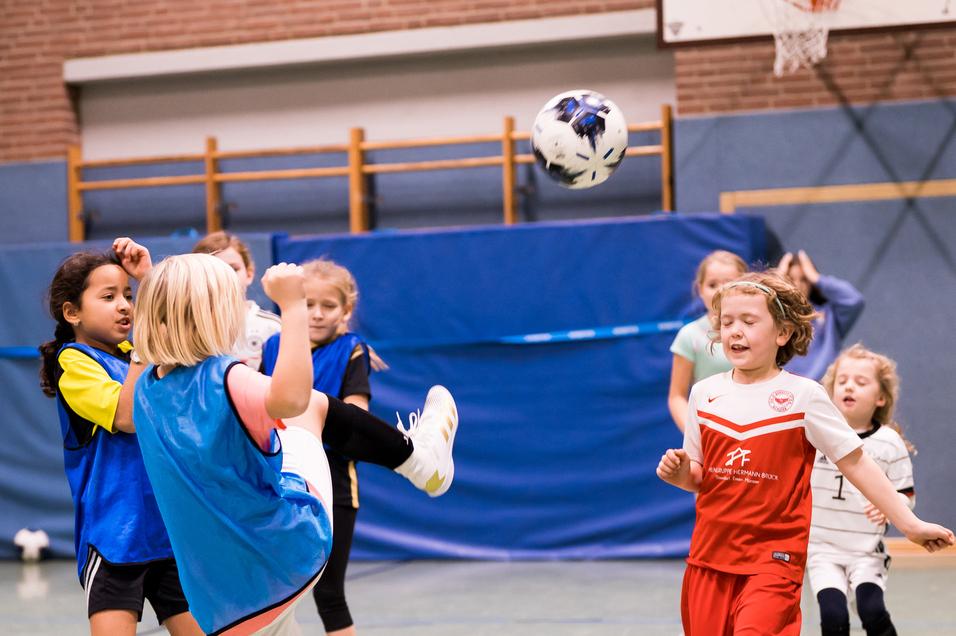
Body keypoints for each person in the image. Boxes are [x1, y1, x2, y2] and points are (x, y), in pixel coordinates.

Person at [131, 254, 458, 635]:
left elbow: (169, 316)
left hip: (219, 602)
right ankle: (420, 461)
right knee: (310, 408)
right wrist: (292, 305)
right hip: (284, 556)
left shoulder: (143, 394)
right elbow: (295, 399)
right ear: (217, 314)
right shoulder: (229, 380)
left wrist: (153, 285)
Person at [655, 271, 952, 636]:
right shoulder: (704, 394)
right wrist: (680, 474)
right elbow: (700, 478)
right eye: (727, 321)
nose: (735, 330)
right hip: (708, 560)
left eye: (749, 321)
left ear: (782, 333)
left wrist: (910, 524)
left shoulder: (803, 397)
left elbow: (856, 462)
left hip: (773, 561)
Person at [38, 238, 201, 636]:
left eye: (128, 296)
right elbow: (127, 415)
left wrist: (148, 277)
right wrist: (144, 347)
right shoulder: (74, 362)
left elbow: (182, 330)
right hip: (114, 538)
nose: (126, 305)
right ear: (72, 312)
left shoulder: (137, 353)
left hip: (167, 531)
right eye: (109, 297)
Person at [260, 258, 397, 636]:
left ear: (346, 310)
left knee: (329, 593)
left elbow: (356, 415)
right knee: (269, 591)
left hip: (332, 485)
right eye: (307, 304)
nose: (316, 314)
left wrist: (305, 422)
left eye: (328, 306)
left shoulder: (352, 349)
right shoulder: (275, 347)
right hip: (280, 484)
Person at [809, 344, 915, 636]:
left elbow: (906, 495)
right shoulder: (815, 434)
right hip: (822, 551)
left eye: (861, 382)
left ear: (880, 397)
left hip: (866, 552)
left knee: (873, 612)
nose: (849, 387)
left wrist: (890, 506)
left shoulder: (889, 443)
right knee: (833, 617)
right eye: (842, 381)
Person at [668, 250, 748, 432]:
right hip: (713, 437)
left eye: (729, 284)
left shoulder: (757, 331)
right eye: (712, 284)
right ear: (699, 289)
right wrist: (696, 435)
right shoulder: (689, 336)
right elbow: (676, 397)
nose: (720, 290)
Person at [193, 231, 281, 370]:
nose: (226, 276)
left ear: (249, 273)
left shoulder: (273, 327)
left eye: (233, 268)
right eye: (214, 270)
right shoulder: (190, 328)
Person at [778, 250, 864, 380]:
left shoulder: (828, 315)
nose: (797, 285)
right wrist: (776, 278)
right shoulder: (772, 314)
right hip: (782, 393)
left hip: (821, 390)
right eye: (790, 279)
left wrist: (816, 277)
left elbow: (854, 300)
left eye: (804, 279)